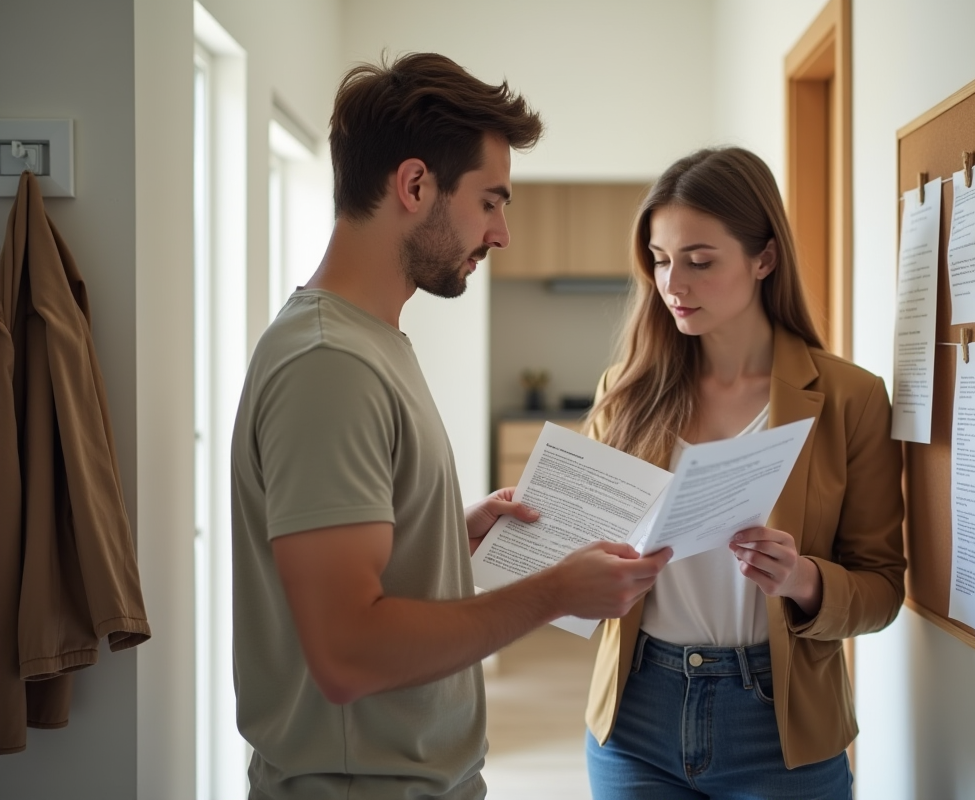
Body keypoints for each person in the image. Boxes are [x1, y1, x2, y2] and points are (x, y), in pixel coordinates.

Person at [229, 53, 671, 800]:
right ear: (414, 186)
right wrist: (554, 592)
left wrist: (441, 538)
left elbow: (356, 569)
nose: (500, 234)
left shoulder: (368, 341)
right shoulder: (330, 365)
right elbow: (346, 655)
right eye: (491, 202)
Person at [582, 147, 906, 799]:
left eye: (700, 261)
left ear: (764, 258)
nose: (674, 284)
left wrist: (804, 579)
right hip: (636, 714)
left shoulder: (850, 397)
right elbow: (582, 548)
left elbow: (883, 589)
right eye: (661, 259)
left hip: (778, 725)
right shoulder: (624, 390)